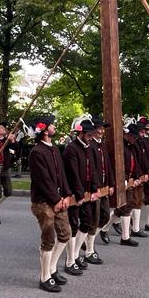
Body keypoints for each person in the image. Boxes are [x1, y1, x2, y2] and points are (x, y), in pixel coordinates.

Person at [28, 115, 73, 292]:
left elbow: (61, 174)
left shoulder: (53, 148)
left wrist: (67, 194)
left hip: (58, 199)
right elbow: (43, 180)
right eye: (52, 125)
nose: (54, 126)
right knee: (48, 240)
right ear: (45, 130)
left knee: (65, 234)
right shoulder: (36, 152)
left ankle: (52, 269)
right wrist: (55, 200)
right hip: (43, 202)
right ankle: (44, 277)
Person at [63, 116, 98, 272]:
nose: (91, 137)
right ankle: (70, 261)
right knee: (73, 226)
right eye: (89, 134)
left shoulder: (89, 148)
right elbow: (73, 174)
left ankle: (76, 254)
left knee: (87, 222)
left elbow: (93, 170)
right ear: (81, 133)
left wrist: (95, 188)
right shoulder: (71, 149)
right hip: (74, 193)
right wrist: (79, 194)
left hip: (87, 192)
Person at [89, 115, 114, 246]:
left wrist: (111, 184)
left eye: (103, 129)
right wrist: (96, 187)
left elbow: (107, 165)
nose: (102, 131)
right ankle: (89, 245)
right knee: (94, 217)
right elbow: (92, 169)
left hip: (104, 186)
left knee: (105, 216)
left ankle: (88, 240)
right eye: (100, 128)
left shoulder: (102, 144)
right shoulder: (90, 145)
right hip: (95, 187)